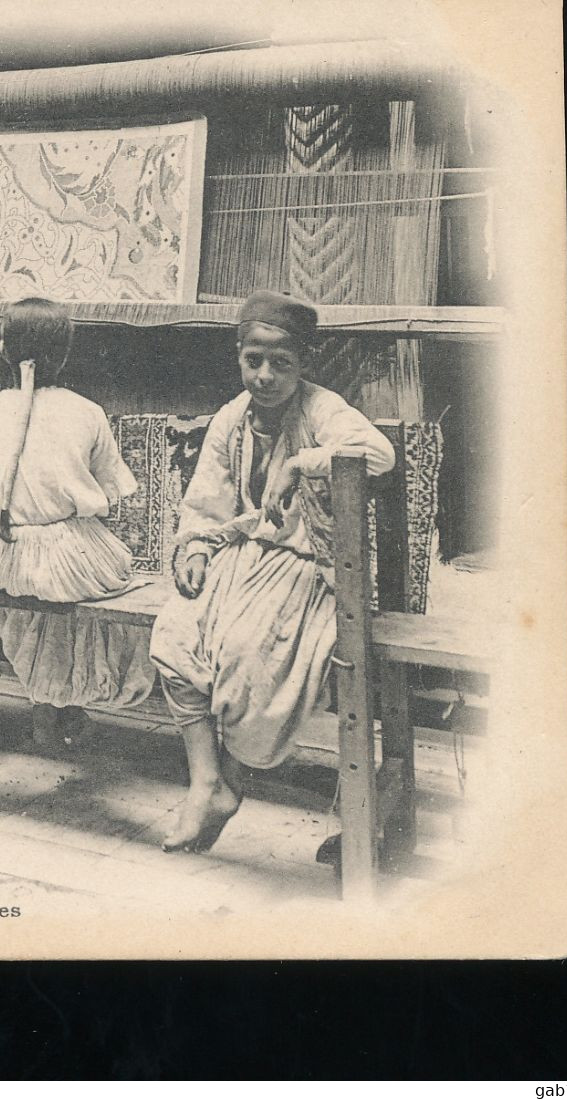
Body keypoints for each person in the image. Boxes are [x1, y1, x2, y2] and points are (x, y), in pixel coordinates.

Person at [148, 289, 395, 853]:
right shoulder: (232, 418)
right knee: (175, 634)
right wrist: (194, 548)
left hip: (315, 569)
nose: (264, 376)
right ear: (239, 356)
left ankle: (233, 781)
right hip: (245, 558)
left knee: (241, 654)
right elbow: (206, 503)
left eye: (281, 363)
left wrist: (299, 463)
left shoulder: (322, 408)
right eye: (252, 360)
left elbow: (378, 453)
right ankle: (206, 781)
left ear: (303, 364)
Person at [0, 298, 153, 747]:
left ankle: (47, 713)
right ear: (64, 355)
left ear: (3, 349)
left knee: (32, 612)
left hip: (2, 554)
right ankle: (65, 707)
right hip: (66, 551)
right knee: (94, 591)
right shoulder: (87, 412)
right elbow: (113, 489)